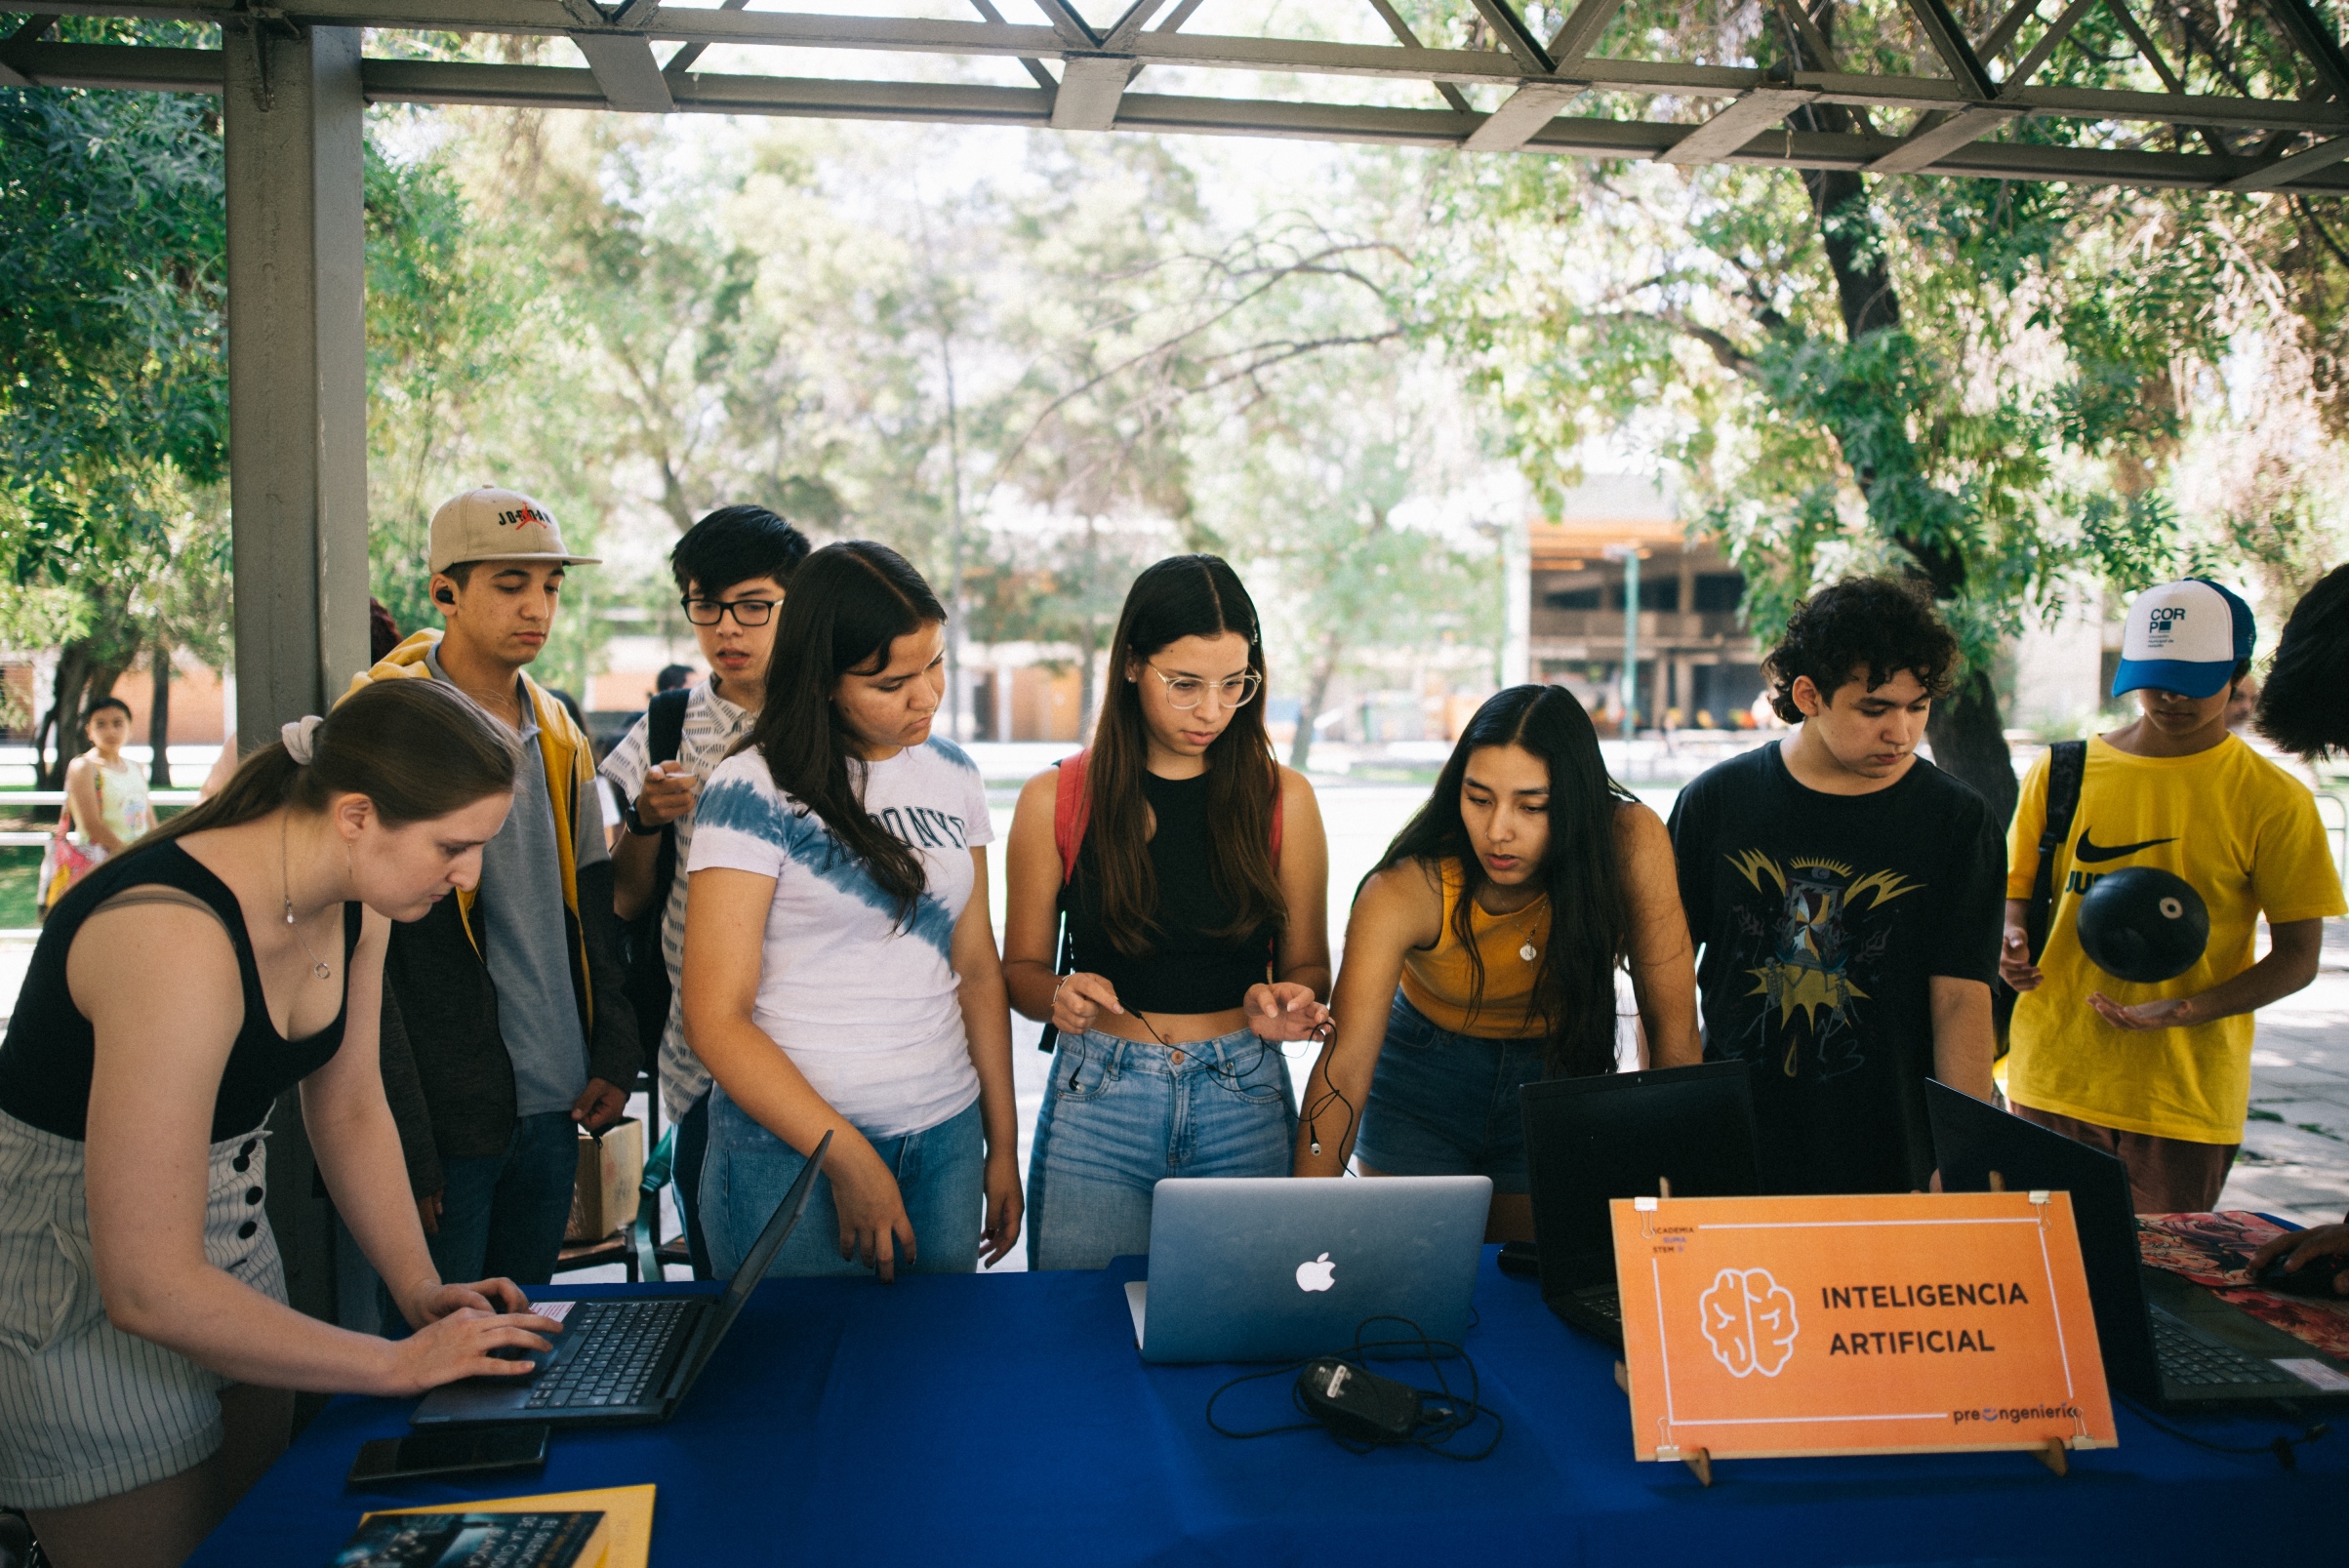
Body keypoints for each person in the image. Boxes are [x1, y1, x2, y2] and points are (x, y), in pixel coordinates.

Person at [0, 681, 563, 1568]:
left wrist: (418, 1289)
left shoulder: (359, 900)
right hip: (76, 1280)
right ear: (355, 815)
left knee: (255, 1540)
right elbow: (145, 1284)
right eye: (453, 846)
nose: (469, 876)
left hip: (231, 1243)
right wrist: (395, 1363)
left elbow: (349, 1104)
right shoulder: (171, 936)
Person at [681, 542, 1020, 1280]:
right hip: (787, 1154)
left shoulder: (953, 774)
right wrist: (848, 1158)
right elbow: (714, 1018)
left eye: (935, 664)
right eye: (891, 682)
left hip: (944, 1137)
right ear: (823, 681)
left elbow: (976, 970)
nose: (926, 697)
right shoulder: (751, 789)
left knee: (933, 1351)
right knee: (802, 1354)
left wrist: (1002, 1144)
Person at [348, 486, 641, 1298]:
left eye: (550, 586)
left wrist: (612, 1048)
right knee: (435, 1347)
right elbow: (359, 955)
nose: (536, 608)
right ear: (444, 592)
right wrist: (405, 1135)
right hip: (446, 1116)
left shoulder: (559, 728)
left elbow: (592, 904)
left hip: (556, 1100)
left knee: (520, 1337)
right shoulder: (384, 721)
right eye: (511, 584)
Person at [1004, 556, 1332, 1270]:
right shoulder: (1055, 798)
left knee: (1245, 1317)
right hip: (1099, 1100)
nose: (1211, 710)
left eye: (1234, 684)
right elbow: (1020, 971)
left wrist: (1287, 999)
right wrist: (1057, 995)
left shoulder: (1284, 799)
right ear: (1131, 664)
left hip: (1242, 1094)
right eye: (1184, 684)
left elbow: (1310, 965)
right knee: (1083, 1321)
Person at [1293, 684, 1699, 1239]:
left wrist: (1682, 1217)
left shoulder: (1628, 839)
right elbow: (1343, 1068)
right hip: (1422, 1077)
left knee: (1526, 1272)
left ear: (1578, 800)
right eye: (1479, 798)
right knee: (1420, 1268)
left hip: (1556, 1068)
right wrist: (1301, 1228)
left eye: (1533, 806)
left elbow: (1675, 1034)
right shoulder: (1407, 887)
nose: (1497, 831)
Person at [2002, 579, 2346, 1213]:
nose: (2171, 697)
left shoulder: (2275, 800)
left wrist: (2188, 1009)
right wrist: (2010, 935)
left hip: (2181, 1098)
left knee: (2157, 1274)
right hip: (2051, 1076)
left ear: (2237, 674)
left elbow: (2298, 956)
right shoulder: (2061, 772)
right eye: (2156, 679)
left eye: (2193, 680)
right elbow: (2015, 892)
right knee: (2045, 1268)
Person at [1668, 576, 2002, 1195]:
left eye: (1918, 707)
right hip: (1737, 1140)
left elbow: (1962, 997)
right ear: (1809, 694)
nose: (1901, 732)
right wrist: (1678, 1114)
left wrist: (1962, 1149)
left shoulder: (1957, 820)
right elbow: (1663, 975)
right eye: (1874, 709)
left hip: (1894, 1147)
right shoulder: (1717, 802)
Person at [601, 504, 810, 1277]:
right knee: (728, 1278)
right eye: (706, 605)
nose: (727, 628)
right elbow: (625, 901)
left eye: (753, 605)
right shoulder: (665, 726)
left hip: (826, 1047)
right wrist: (644, 820)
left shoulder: (839, 720)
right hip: (704, 1064)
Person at [43, 698, 155, 914]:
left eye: (118, 723)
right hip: (102, 866)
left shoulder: (136, 767)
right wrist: (129, 856)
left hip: (137, 865)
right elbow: (91, 824)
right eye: (101, 724)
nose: (110, 731)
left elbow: (148, 819)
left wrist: (154, 853)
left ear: (130, 728)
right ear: (89, 731)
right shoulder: (84, 767)